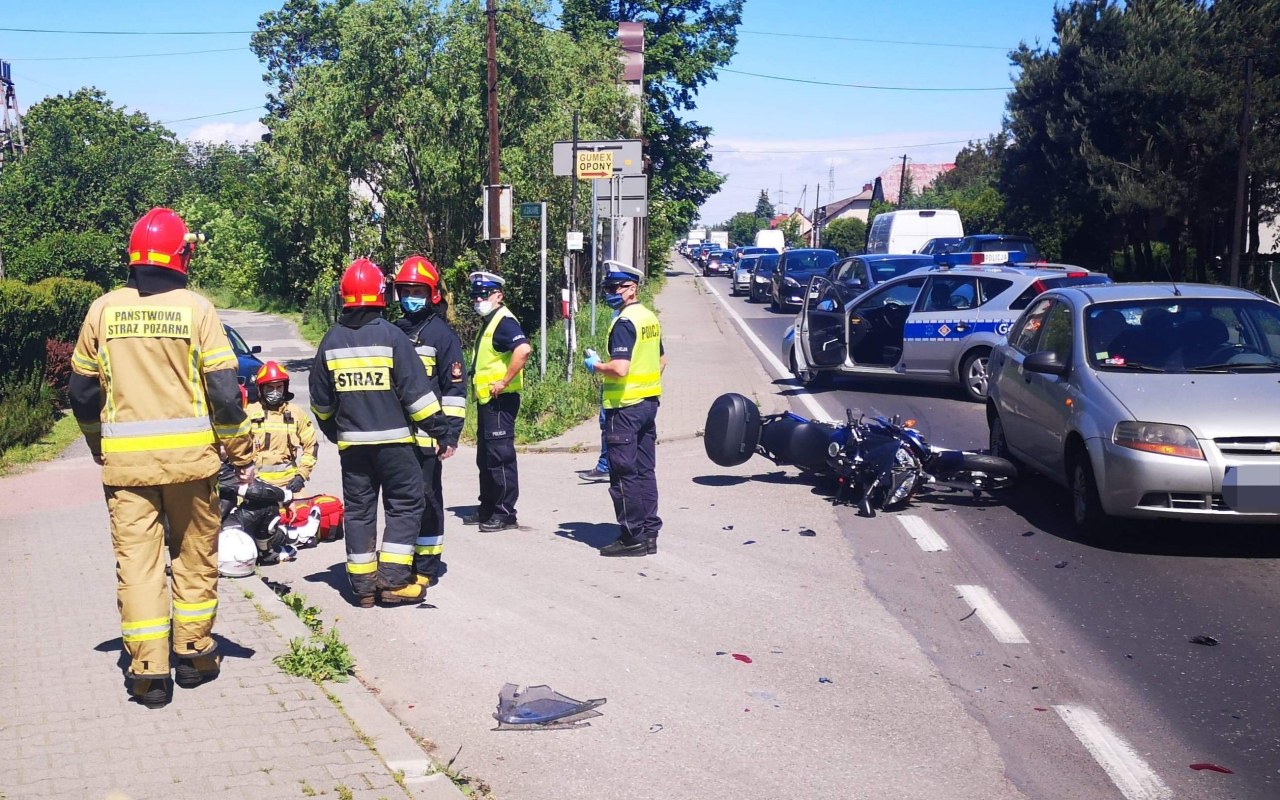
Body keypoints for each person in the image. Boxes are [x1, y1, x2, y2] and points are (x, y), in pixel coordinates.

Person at [68, 207, 255, 708]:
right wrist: (241, 452)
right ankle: (193, 655)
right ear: (181, 255)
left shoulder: (101, 311)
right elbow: (224, 391)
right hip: (191, 466)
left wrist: (96, 445)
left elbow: (82, 393)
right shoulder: (198, 310)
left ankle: (148, 673)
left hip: (127, 470)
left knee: (139, 566)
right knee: (194, 559)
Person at [309, 258, 450, 608]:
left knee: (359, 512)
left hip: (353, 448)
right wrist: (442, 431)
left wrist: (338, 431)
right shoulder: (392, 337)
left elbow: (320, 403)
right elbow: (417, 396)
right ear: (381, 296)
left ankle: (363, 587)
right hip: (395, 445)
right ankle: (392, 582)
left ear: (344, 297)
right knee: (404, 506)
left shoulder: (330, 342)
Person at [392, 255, 466, 589]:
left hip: (428, 439)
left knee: (428, 501)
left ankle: (427, 565)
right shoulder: (391, 330)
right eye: (406, 290)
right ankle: (400, 563)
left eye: (417, 290)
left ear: (432, 293)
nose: (411, 296)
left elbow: (454, 390)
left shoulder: (442, 335)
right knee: (400, 505)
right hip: (395, 438)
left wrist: (449, 435)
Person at [584, 262, 666, 557]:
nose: (610, 293)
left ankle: (632, 536)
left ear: (632, 288)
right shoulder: (649, 318)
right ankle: (649, 533)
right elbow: (662, 361)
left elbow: (619, 368)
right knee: (645, 470)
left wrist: (596, 366)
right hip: (648, 404)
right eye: (607, 288)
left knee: (622, 474)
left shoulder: (624, 322)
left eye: (615, 288)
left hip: (624, 408)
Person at [464, 271, 532, 532]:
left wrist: (504, 381)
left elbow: (523, 349)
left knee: (500, 457)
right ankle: (487, 508)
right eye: (475, 296)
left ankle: (505, 513)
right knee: (486, 457)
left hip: (501, 400)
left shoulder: (504, 321)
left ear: (498, 296)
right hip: (488, 401)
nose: (477, 300)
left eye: (483, 295)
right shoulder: (491, 321)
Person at [246, 361, 319, 493]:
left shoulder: (296, 413)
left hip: (289, 484)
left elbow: (312, 446)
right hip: (255, 484)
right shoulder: (249, 413)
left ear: (285, 387)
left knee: (303, 511)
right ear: (260, 389)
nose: (275, 392)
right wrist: (250, 478)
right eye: (269, 388)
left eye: (279, 387)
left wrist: (301, 476)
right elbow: (237, 448)